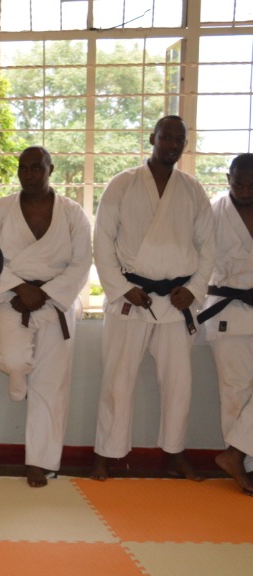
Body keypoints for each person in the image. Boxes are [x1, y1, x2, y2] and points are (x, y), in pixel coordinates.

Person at [90, 116, 216, 481]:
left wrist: (192, 290)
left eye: (180, 139)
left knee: (179, 383)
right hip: (132, 295)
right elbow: (102, 241)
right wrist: (118, 286)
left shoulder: (193, 191)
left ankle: (175, 453)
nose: (173, 144)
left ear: (185, 144)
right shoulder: (123, 184)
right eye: (166, 137)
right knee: (117, 379)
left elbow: (208, 249)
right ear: (152, 138)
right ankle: (105, 454)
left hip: (177, 301)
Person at [0, 146, 92, 487]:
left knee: (51, 385)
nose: (28, 174)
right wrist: (18, 289)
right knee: (15, 361)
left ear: (50, 169)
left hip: (55, 302)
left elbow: (81, 263)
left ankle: (39, 462)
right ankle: (17, 379)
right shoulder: (1, 210)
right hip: (12, 300)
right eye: (23, 168)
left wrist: (44, 293)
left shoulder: (73, 214)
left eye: (36, 168)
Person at [199, 153, 253, 495]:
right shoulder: (212, 213)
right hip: (227, 309)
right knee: (235, 391)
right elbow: (196, 259)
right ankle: (242, 469)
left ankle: (236, 455)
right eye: (238, 183)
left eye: (251, 184)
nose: (244, 190)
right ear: (227, 178)